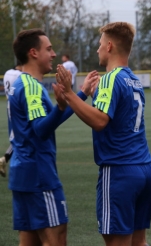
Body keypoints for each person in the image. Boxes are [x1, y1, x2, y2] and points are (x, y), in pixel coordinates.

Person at [56, 22, 151, 246]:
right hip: (145, 169)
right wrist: (92, 97)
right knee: (139, 242)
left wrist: (70, 94)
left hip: (120, 171)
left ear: (109, 46)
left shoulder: (110, 78)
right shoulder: (133, 80)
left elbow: (100, 121)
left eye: (100, 44)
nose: (97, 49)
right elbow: (117, 118)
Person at [8, 28, 98, 246]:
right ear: (33, 53)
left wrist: (81, 93)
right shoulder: (29, 86)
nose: (54, 54)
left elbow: (47, 121)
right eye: (48, 49)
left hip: (23, 174)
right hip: (39, 176)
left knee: (29, 242)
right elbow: (41, 129)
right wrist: (59, 107)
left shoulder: (25, 84)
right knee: (56, 240)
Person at [0, 64, 22, 177]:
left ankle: (5, 160)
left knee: (15, 136)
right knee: (19, 136)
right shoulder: (21, 75)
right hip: (18, 107)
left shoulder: (8, 72)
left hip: (10, 105)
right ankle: (5, 160)